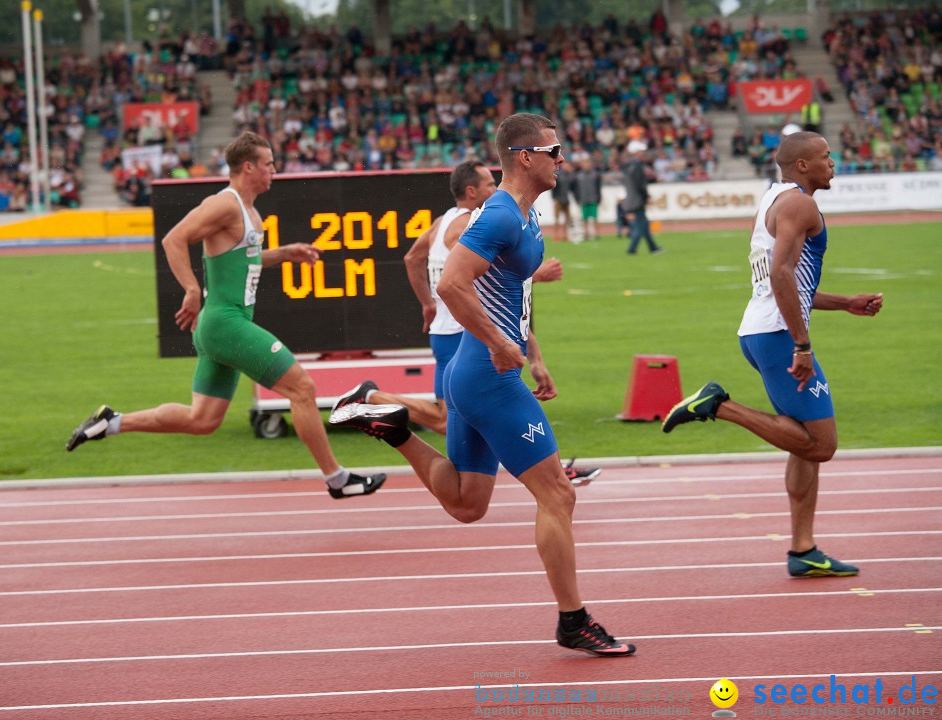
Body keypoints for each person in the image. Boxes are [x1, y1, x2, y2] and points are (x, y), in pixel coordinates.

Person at [330, 113, 635, 656]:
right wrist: (498, 345)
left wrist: (530, 352)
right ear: (525, 156)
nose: (562, 158)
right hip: (487, 376)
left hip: (476, 372)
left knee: (468, 504)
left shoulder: (524, 215)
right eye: (554, 150)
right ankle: (574, 620)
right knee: (557, 493)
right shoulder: (499, 215)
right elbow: (450, 284)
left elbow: (510, 294)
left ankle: (395, 429)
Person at [67, 131, 386, 500]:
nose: (274, 170)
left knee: (201, 421)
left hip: (220, 327)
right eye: (268, 164)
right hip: (225, 322)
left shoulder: (250, 212)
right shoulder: (224, 204)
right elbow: (173, 239)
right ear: (248, 167)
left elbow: (241, 260)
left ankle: (112, 422)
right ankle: (337, 478)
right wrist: (190, 289)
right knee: (303, 388)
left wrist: (283, 253)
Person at [662, 131, 884, 577]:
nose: (833, 163)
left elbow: (785, 283)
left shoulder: (772, 199)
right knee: (821, 445)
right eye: (825, 157)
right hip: (779, 336)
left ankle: (803, 550)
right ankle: (718, 405)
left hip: (761, 331)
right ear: (802, 165)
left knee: (802, 443)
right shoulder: (801, 204)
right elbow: (782, 274)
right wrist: (802, 344)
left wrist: (844, 303)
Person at [333, 159, 601, 486]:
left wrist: (427, 304)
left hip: (451, 332)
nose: (495, 188)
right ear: (472, 191)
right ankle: (374, 400)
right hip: (465, 337)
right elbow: (480, 281)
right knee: (450, 418)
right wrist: (535, 273)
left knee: (466, 479)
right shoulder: (466, 226)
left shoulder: (441, 223)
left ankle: (552, 471)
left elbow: (412, 259)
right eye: (489, 184)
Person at [622, 140, 662, 255]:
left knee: (643, 223)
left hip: (631, 198)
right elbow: (639, 184)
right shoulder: (637, 165)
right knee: (641, 224)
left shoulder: (628, 165)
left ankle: (653, 247)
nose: (643, 153)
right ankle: (632, 249)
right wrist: (646, 196)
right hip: (637, 199)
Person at [572, 154, 602, 242]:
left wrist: (599, 198)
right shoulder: (578, 176)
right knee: (585, 219)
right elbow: (576, 189)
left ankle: (597, 234)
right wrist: (577, 198)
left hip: (593, 199)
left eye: (588, 163)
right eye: (585, 164)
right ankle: (586, 233)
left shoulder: (595, 175)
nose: (586, 165)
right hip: (583, 200)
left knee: (595, 218)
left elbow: (598, 187)